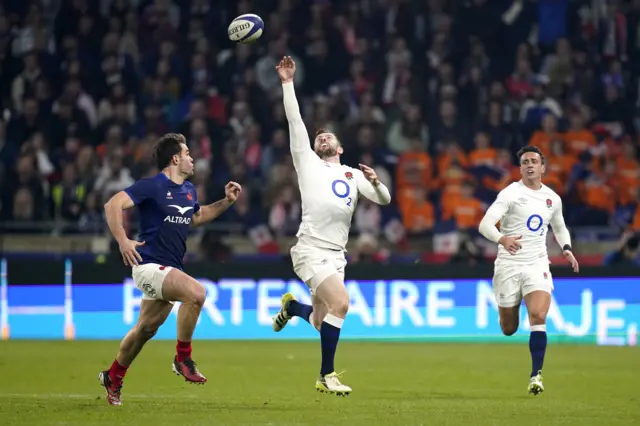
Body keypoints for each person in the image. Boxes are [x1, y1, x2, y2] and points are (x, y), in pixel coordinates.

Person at [271, 56, 391, 396]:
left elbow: (384, 200)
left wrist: (378, 182)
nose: (322, 139)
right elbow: (294, 120)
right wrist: (287, 82)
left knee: (322, 321)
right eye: (318, 137)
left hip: (337, 255)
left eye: (328, 138)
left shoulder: (352, 174)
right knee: (342, 303)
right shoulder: (306, 163)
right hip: (310, 249)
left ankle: (292, 308)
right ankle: (326, 375)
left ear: (340, 147)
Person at [98, 133, 241, 406]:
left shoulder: (188, 191)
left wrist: (227, 202)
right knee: (197, 294)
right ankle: (182, 357)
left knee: (145, 330)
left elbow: (197, 217)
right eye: (187, 153)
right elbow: (113, 204)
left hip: (168, 269)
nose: (191, 157)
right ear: (175, 158)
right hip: (148, 265)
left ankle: (113, 375)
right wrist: (122, 240)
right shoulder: (152, 186)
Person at [478, 145, 579, 395]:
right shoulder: (510, 194)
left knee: (538, 316)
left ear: (543, 167)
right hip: (509, 265)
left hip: (537, 263)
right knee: (509, 328)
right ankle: (509, 312)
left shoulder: (552, 199)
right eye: (525, 162)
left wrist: (566, 248)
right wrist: (503, 239)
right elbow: (485, 225)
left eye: (534, 161)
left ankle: (536, 375)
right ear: (520, 168)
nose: (530, 165)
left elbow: (560, 227)